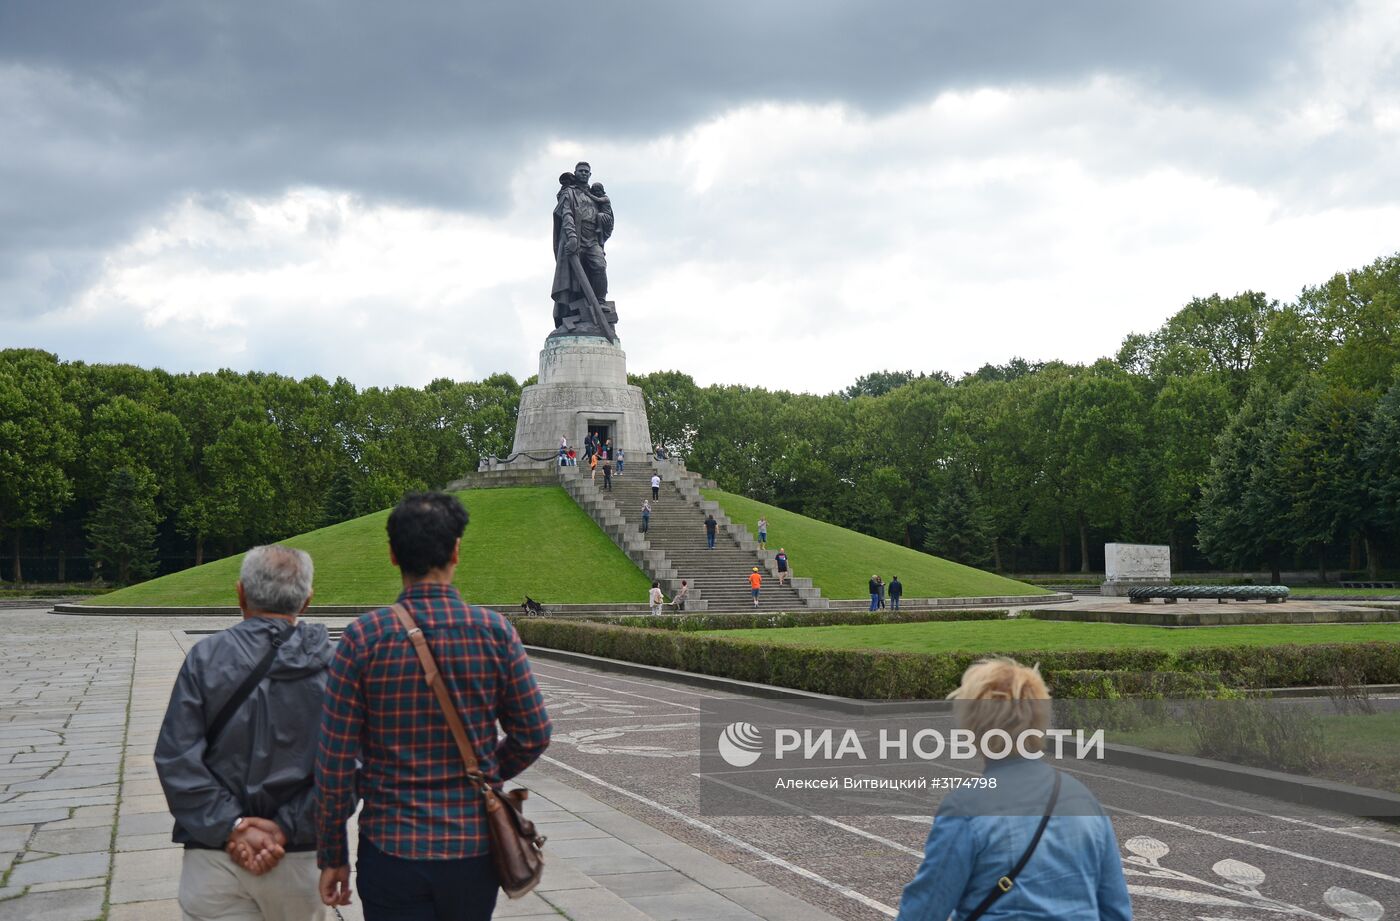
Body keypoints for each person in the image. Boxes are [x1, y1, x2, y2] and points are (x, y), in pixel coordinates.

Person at [316, 492, 552, 921]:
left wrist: (333, 854)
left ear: (392, 554)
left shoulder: (362, 638)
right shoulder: (494, 632)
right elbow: (534, 732)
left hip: (390, 846)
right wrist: (484, 772)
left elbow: (333, 765)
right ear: (456, 550)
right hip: (472, 847)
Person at [155, 545, 332, 921]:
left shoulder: (205, 658)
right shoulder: (333, 667)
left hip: (215, 855)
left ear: (240, 592)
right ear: (307, 600)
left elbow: (176, 756)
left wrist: (232, 827)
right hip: (299, 857)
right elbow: (348, 767)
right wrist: (285, 828)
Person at [895, 657, 1132, 920]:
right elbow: (1116, 911)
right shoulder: (1084, 800)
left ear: (974, 728)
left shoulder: (966, 808)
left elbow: (925, 910)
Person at [552, 163, 612, 331]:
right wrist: (571, 237)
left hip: (592, 238)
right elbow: (566, 214)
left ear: (590, 174)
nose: (584, 174)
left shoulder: (595, 195)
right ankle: (573, 313)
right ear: (576, 173)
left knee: (599, 266)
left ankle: (600, 302)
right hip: (576, 238)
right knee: (575, 278)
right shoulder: (569, 193)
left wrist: (603, 218)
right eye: (581, 171)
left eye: (586, 172)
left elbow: (608, 216)